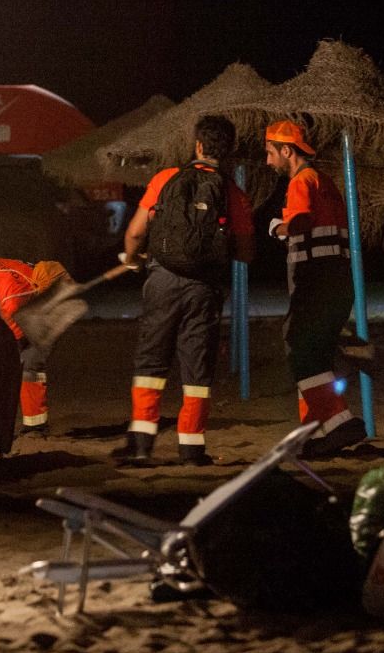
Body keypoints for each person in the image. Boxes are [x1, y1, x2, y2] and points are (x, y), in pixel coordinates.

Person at [113, 116, 254, 466]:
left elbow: (134, 233)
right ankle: (192, 449)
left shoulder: (165, 179)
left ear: (199, 147)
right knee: (197, 367)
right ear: (228, 150)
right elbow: (246, 251)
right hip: (204, 288)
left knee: (150, 361)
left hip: (162, 280)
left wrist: (132, 260)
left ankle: (142, 444)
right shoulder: (232, 192)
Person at [264, 119, 367, 459]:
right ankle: (324, 431)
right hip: (338, 280)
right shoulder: (326, 182)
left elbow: (301, 222)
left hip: (315, 281)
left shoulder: (300, 182)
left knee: (300, 351)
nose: (268, 161)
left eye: (270, 153)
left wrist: (278, 228)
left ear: (286, 150)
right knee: (318, 355)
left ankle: (339, 423)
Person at [0, 251, 70, 436]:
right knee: (23, 362)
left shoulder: (22, 278)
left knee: (27, 362)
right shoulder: (16, 292)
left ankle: (34, 426)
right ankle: (25, 425)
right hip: (16, 301)